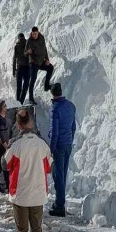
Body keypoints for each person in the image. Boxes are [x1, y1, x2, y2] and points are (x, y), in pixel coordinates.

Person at [3, 109, 52, 232]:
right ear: (31, 122)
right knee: (37, 231)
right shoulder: (42, 145)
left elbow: (5, 165)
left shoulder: (16, 146)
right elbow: (49, 167)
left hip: (21, 196)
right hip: (38, 194)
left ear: (18, 125)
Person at [48, 83, 76, 217]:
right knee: (63, 174)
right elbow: (73, 127)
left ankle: (59, 206)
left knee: (58, 175)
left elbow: (54, 132)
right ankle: (60, 202)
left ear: (53, 94)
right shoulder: (71, 106)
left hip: (59, 145)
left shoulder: (55, 108)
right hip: (68, 144)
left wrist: (51, 149)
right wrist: (70, 140)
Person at [25, 27, 54, 104]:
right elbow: (25, 53)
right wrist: (28, 52)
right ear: (31, 33)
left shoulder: (42, 38)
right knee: (33, 79)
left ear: (38, 32)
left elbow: (44, 49)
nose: (34, 35)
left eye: (35, 34)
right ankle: (31, 98)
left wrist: (47, 59)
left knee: (50, 68)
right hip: (33, 62)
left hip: (41, 61)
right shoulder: (29, 41)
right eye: (33, 34)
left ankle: (46, 86)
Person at [13, 33, 31, 104]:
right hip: (27, 68)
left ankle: (18, 104)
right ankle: (21, 102)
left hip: (20, 68)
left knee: (19, 87)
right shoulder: (28, 45)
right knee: (25, 87)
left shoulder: (17, 46)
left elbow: (14, 59)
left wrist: (14, 70)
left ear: (18, 38)